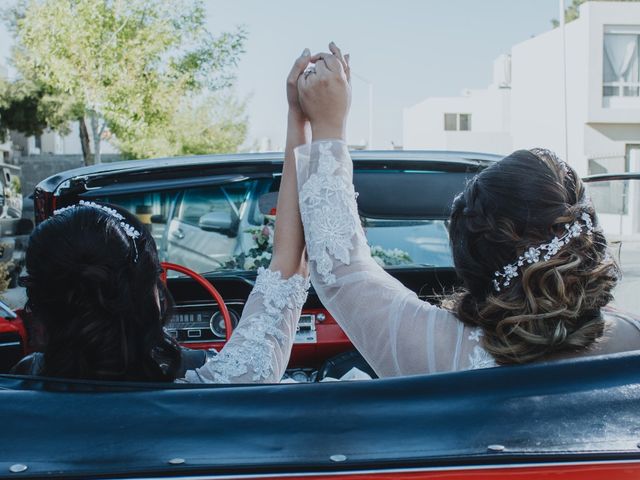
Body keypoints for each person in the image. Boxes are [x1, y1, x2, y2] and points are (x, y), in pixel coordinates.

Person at [292, 43, 640, 377]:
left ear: (471, 264)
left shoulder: (437, 349)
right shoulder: (631, 340)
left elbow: (340, 267)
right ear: (589, 240)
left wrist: (325, 125)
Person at [12, 50, 315, 383]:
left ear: (38, 308)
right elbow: (290, 260)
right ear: (152, 299)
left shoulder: (16, 395)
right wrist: (299, 117)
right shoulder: (219, 390)